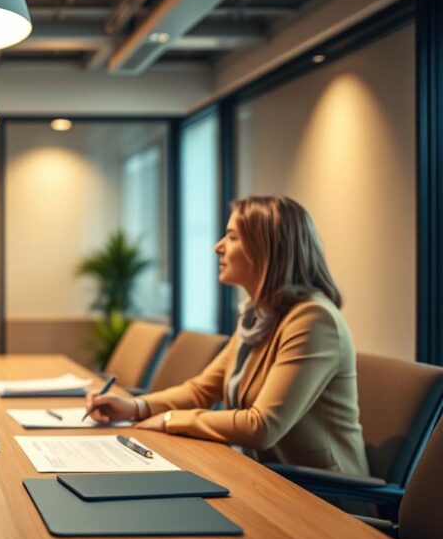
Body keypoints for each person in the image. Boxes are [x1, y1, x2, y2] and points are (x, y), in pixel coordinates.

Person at [87, 195, 369, 475]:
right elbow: (202, 390)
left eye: (232, 237)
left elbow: (262, 427)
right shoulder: (258, 316)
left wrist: (171, 419)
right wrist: (134, 407)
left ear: (267, 250)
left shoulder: (313, 320)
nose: (217, 247)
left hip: (318, 495)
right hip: (258, 474)